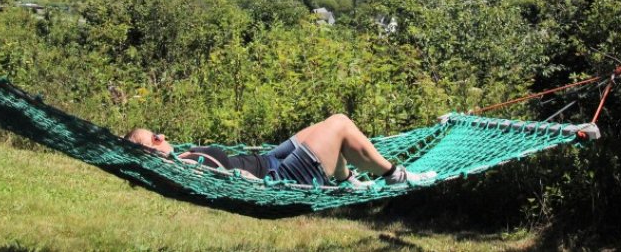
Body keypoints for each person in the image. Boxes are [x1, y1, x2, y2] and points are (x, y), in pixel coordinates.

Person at [126, 113, 435, 187]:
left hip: (270, 159)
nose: (161, 135)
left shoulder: (181, 158)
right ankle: (395, 175)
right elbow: (232, 181)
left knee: (326, 125)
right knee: (340, 124)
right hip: (280, 175)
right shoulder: (186, 168)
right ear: (154, 147)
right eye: (154, 137)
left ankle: (345, 179)